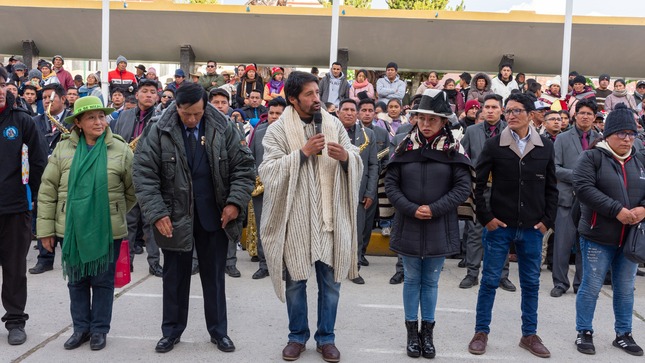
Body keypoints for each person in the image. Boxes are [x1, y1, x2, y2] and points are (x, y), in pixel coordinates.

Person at [132, 82, 254, 354]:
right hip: (173, 217)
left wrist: (234, 202)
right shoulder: (158, 128)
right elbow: (143, 173)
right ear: (176, 106)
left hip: (215, 216)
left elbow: (244, 167)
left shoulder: (223, 126)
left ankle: (219, 332)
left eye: (197, 114)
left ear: (205, 105)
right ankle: (171, 331)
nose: (191, 119)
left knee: (214, 278)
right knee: (174, 278)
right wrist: (158, 212)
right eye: (186, 113)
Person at [258, 71, 362, 362]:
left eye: (318, 92)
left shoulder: (333, 124)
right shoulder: (278, 130)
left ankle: (326, 338)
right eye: (309, 94)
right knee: (296, 283)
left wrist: (346, 159)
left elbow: (354, 157)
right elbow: (267, 172)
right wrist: (302, 153)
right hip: (297, 220)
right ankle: (297, 337)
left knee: (330, 285)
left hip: (328, 220)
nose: (317, 98)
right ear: (293, 99)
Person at [36, 96, 135, 350]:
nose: (99, 122)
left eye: (102, 116)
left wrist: (112, 210)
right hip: (71, 227)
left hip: (106, 228)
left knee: (103, 281)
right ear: (78, 122)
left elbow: (132, 191)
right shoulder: (63, 150)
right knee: (76, 281)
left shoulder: (120, 149)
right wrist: (44, 230)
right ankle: (81, 328)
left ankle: (99, 329)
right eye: (91, 117)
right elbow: (48, 191)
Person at [468, 92, 558, 358]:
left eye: (517, 111)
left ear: (531, 115)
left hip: (532, 229)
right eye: (508, 111)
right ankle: (480, 332)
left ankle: (529, 334)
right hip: (500, 226)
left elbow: (552, 188)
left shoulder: (545, 146)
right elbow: (478, 183)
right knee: (489, 281)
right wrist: (487, 218)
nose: (511, 115)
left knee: (531, 283)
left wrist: (546, 222)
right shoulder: (495, 145)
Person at [386, 89, 472, 359]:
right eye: (422, 118)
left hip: (439, 224)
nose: (425, 124)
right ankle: (412, 334)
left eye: (432, 119)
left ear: (444, 122)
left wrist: (434, 209)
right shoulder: (403, 146)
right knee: (411, 279)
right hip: (409, 222)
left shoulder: (454, 150)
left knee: (431, 282)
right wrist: (412, 209)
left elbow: (462, 187)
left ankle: (428, 334)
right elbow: (391, 184)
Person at [573, 104, 645, 356]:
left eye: (632, 133)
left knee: (625, 289)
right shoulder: (591, 157)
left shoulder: (640, 157)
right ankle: (584, 331)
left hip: (630, 240)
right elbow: (583, 188)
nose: (628, 139)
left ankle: (623, 334)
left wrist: (643, 209)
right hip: (598, 236)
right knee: (591, 286)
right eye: (622, 133)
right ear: (608, 134)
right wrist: (617, 210)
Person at [0, 67, 47, 345]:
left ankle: (15, 320)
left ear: (7, 86)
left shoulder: (22, 120)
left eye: (0, 84)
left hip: (15, 208)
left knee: (15, 268)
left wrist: (36, 201)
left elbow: (40, 161)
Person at [458, 94, 516, 292]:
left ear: (502, 110)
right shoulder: (472, 131)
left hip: (504, 191)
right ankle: (472, 273)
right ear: (482, 110)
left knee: (502, 232)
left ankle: (502, 275)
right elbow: (462, 158)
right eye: (487, 107)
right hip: (479, 189)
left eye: (494, 107)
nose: (490, 110)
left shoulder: (511, 132)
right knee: (475, 232)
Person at [110, 79, 162, 276]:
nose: (149, 95)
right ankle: (126, 263)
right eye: (145, 91)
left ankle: (154, 264)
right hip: (127, 174)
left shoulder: (161, 117)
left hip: (151, 175)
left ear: (157, 97)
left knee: (151, 223)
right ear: (137, 94)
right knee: (128, 223)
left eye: (152, 92)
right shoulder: (123, 116)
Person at [550, 99, 601, 298]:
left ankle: (580, 283)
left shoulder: (600, 139)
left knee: (585, 245)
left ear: (594, 117)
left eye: (589, 113)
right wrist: (580, 177)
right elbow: (554, 168)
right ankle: (560, 283)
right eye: (582, 113)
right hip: (566, 199)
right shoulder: (562, 139)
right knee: (562, 243)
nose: (585, 116)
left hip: (590, 202)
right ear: (575, 115)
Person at [337, 98, 378, 285]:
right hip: (335, 191)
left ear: (357, 113)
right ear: (338, 113)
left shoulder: (368, 134)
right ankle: (334, 267)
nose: (349, 113)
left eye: (352, 110)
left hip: (360, 193)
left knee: (357, 232)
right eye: (345, 109)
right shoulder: (331, 133)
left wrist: (370, 193)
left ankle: (354, 269)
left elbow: (373, 165)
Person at [249, 97, 287, 280]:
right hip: (262, 188)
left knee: (285, 229)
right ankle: (264, 265)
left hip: (285, 188)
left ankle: (285, 267)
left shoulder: (293, 133)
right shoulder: (259, 132)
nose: (274, 116)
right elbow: (253, 159)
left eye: (278, 113)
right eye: (271, 113)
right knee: (264, 228)